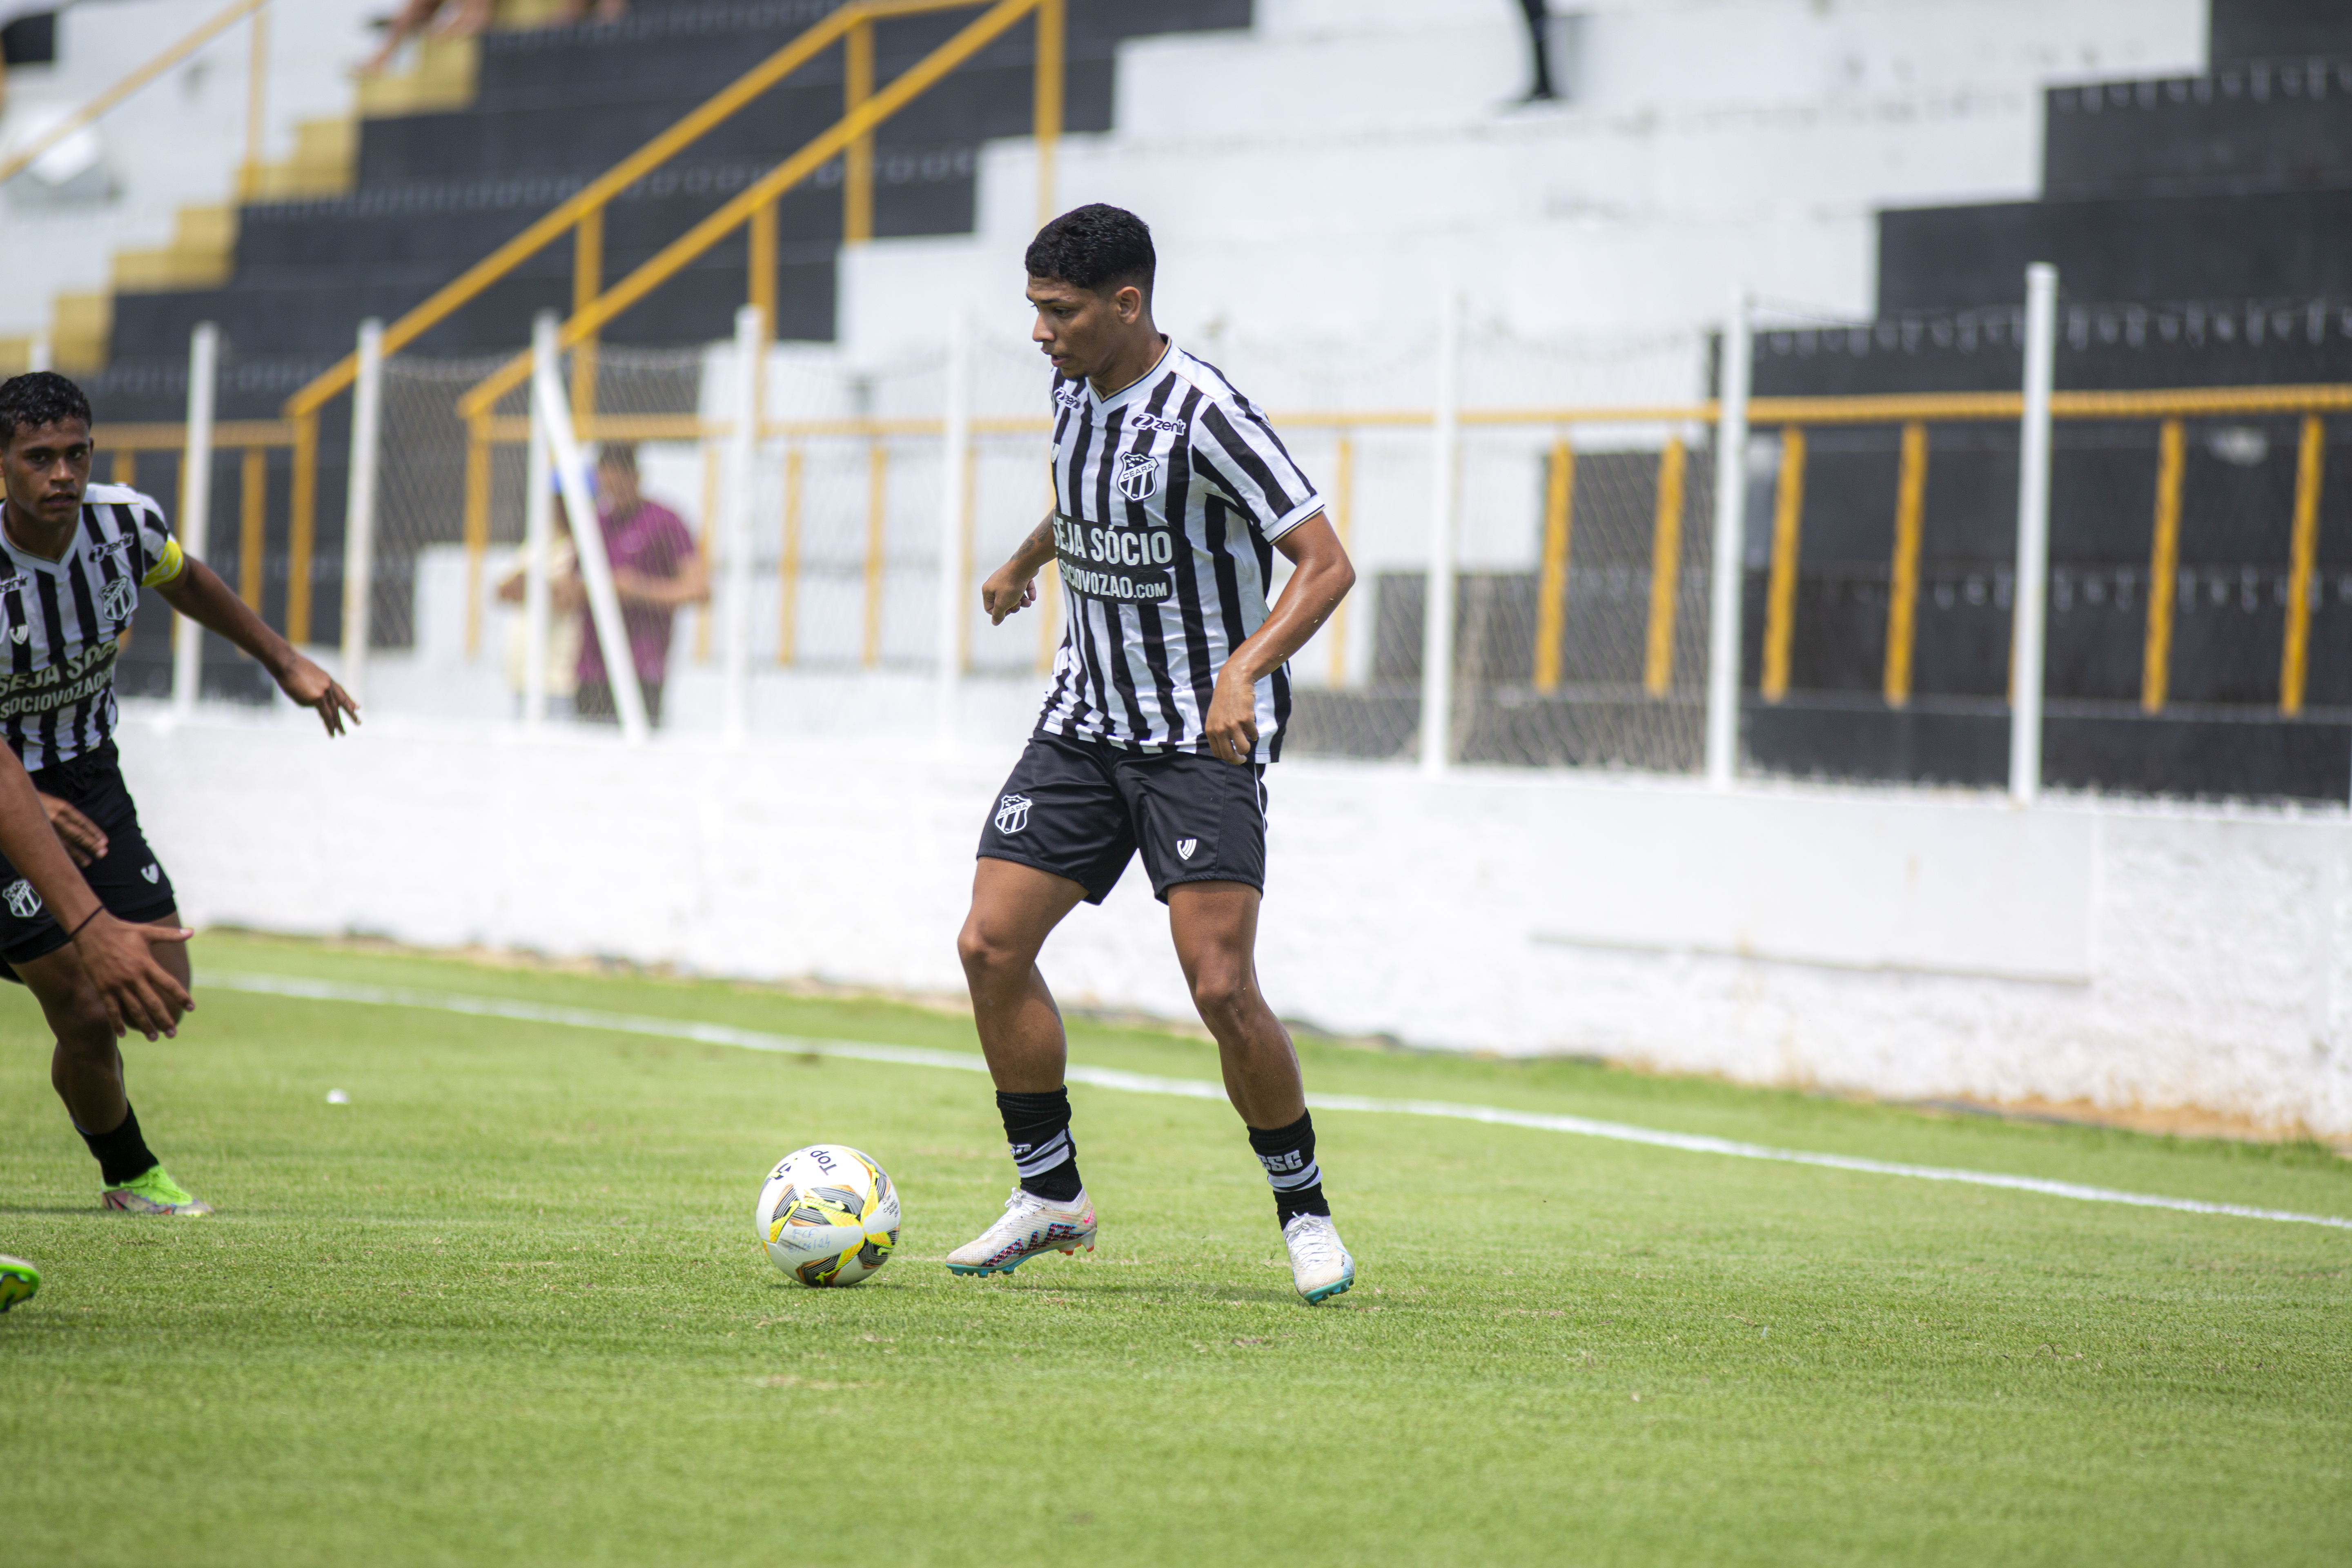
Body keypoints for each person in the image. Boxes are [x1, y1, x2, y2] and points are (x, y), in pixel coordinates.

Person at [949, 205, 1361, 1305]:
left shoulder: (1209, 413)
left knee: (1221, 985)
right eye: (1035, 308)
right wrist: (1023, 559)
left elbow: (1324, 565)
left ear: (1127, 304)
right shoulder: (1072, 385)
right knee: (990, 945)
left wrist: (1242, 672)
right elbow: (1090, 495)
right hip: (1085, 722)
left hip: (1197, 735)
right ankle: (1051, 1195)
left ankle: (1304, 1211)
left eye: (1060, 311)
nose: (1040, 332)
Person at [0, 372, 358, 1216]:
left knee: (160, 979)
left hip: (90, 777)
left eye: (75, 453)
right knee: (86, 1003)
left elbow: (186, 576)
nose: (62, 474)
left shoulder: (123, 524)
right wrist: (79, 913)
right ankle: (131, 1175)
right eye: (38, 458)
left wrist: (283, 659)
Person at [569, 444, 705, 728]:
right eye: (606, 489)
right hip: (593, 668)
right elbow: (568, 589)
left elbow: (699, 589)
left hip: (642, 667)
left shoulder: (665, 522)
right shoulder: (593, 525)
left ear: (636, 478)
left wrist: (638, 590)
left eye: (618, 487)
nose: (612, 497)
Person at [494, 483, 584, 721]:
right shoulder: (541, 543)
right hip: (521, 676)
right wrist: (542, 586)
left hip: (556, 679)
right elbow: (504, 590)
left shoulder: (582, 548)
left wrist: (531, 583)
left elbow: (566, 597)